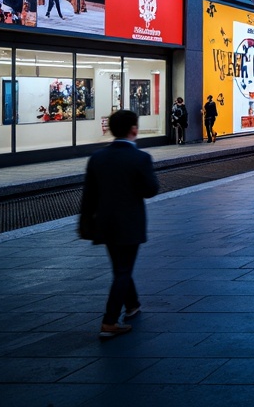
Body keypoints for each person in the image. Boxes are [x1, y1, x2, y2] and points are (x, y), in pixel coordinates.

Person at [79, 109, 159, 338]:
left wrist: (85, 223)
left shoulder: (97, 157)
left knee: (120, 267)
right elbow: (150, 190)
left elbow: (89, 195)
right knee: (123, 270)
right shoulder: (141, 158)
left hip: (104, 223)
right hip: (129, 223)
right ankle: (109, 321)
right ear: (134, 129)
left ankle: (132, 304)